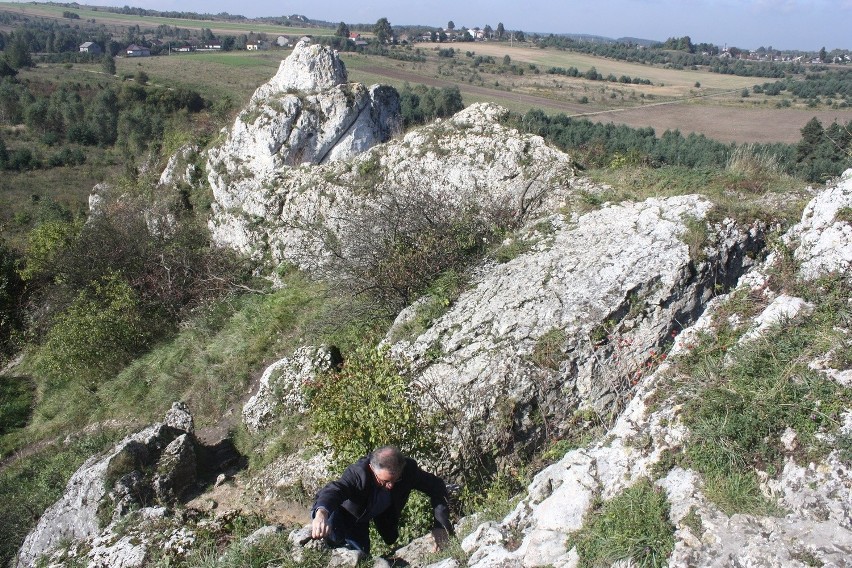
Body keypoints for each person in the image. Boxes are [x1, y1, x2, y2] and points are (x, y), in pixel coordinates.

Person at [310, 445, 454, 556]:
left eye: (395, 480)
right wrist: (321, 513)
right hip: (339, 514)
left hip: (361, 521)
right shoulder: (358, 473)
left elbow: (437, 487)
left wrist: (440, 526)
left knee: (361, 557)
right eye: (384, 481)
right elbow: (334, 490)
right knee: (330, 547)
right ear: (372, 468)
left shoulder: (408, 470)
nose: (390, 486)